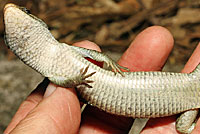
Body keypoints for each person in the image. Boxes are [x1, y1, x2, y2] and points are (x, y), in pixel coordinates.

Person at [4, 26, 200, 134]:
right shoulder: (193, 101)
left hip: (105, 92)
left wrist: (77, 77)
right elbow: (183, 128)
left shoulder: (194, 97)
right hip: (102, 87)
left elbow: (182, 128)